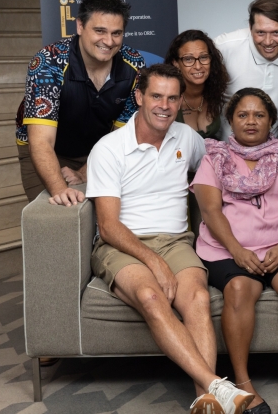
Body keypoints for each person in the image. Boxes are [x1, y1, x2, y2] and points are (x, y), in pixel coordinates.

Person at [86, 64, 254, 414]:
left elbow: (221, 168)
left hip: (177, 240)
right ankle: (217, 386)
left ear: (180, 102)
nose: (164, 105)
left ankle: (207, 400)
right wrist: (154, 262)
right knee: (150, 295)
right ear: (139, 97)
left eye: (172, 98)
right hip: (122, 244)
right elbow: (108, 226)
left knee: (196, 299)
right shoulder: (109, 148)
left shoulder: (187, 138)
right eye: (156, 96)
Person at [192, 88, 278, 414]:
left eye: (259, 115)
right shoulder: (214, 157)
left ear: (271, 121)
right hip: (227, 248)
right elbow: (211, 211)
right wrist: (237, 250)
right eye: (242, 115)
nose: (251, 121)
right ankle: (244, 385)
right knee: (238, 289)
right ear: (230, 120)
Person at [16, 0, 144, 206]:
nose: (109, 41)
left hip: (100, 148)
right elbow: (41, 141)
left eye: (116, 33)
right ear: (80, 26)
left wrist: (86, 172)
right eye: (100, 31)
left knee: (110, 213)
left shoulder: (134, 65)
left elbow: (120, 135)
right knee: (59, 217)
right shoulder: (49, 62)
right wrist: (60, 190)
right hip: (49, 148)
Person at [215, 0, 278, 139]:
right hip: (226, 150)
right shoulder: (224, 47)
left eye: (276, 33)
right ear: (250, 28)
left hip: (277, 153)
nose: (268, 42)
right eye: (260, 33)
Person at [164, 29, 229, 140]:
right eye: (188, 59)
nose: (198, 66)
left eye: (203, 57)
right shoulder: (166, 99)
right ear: (176, 63)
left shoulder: (218, 93)